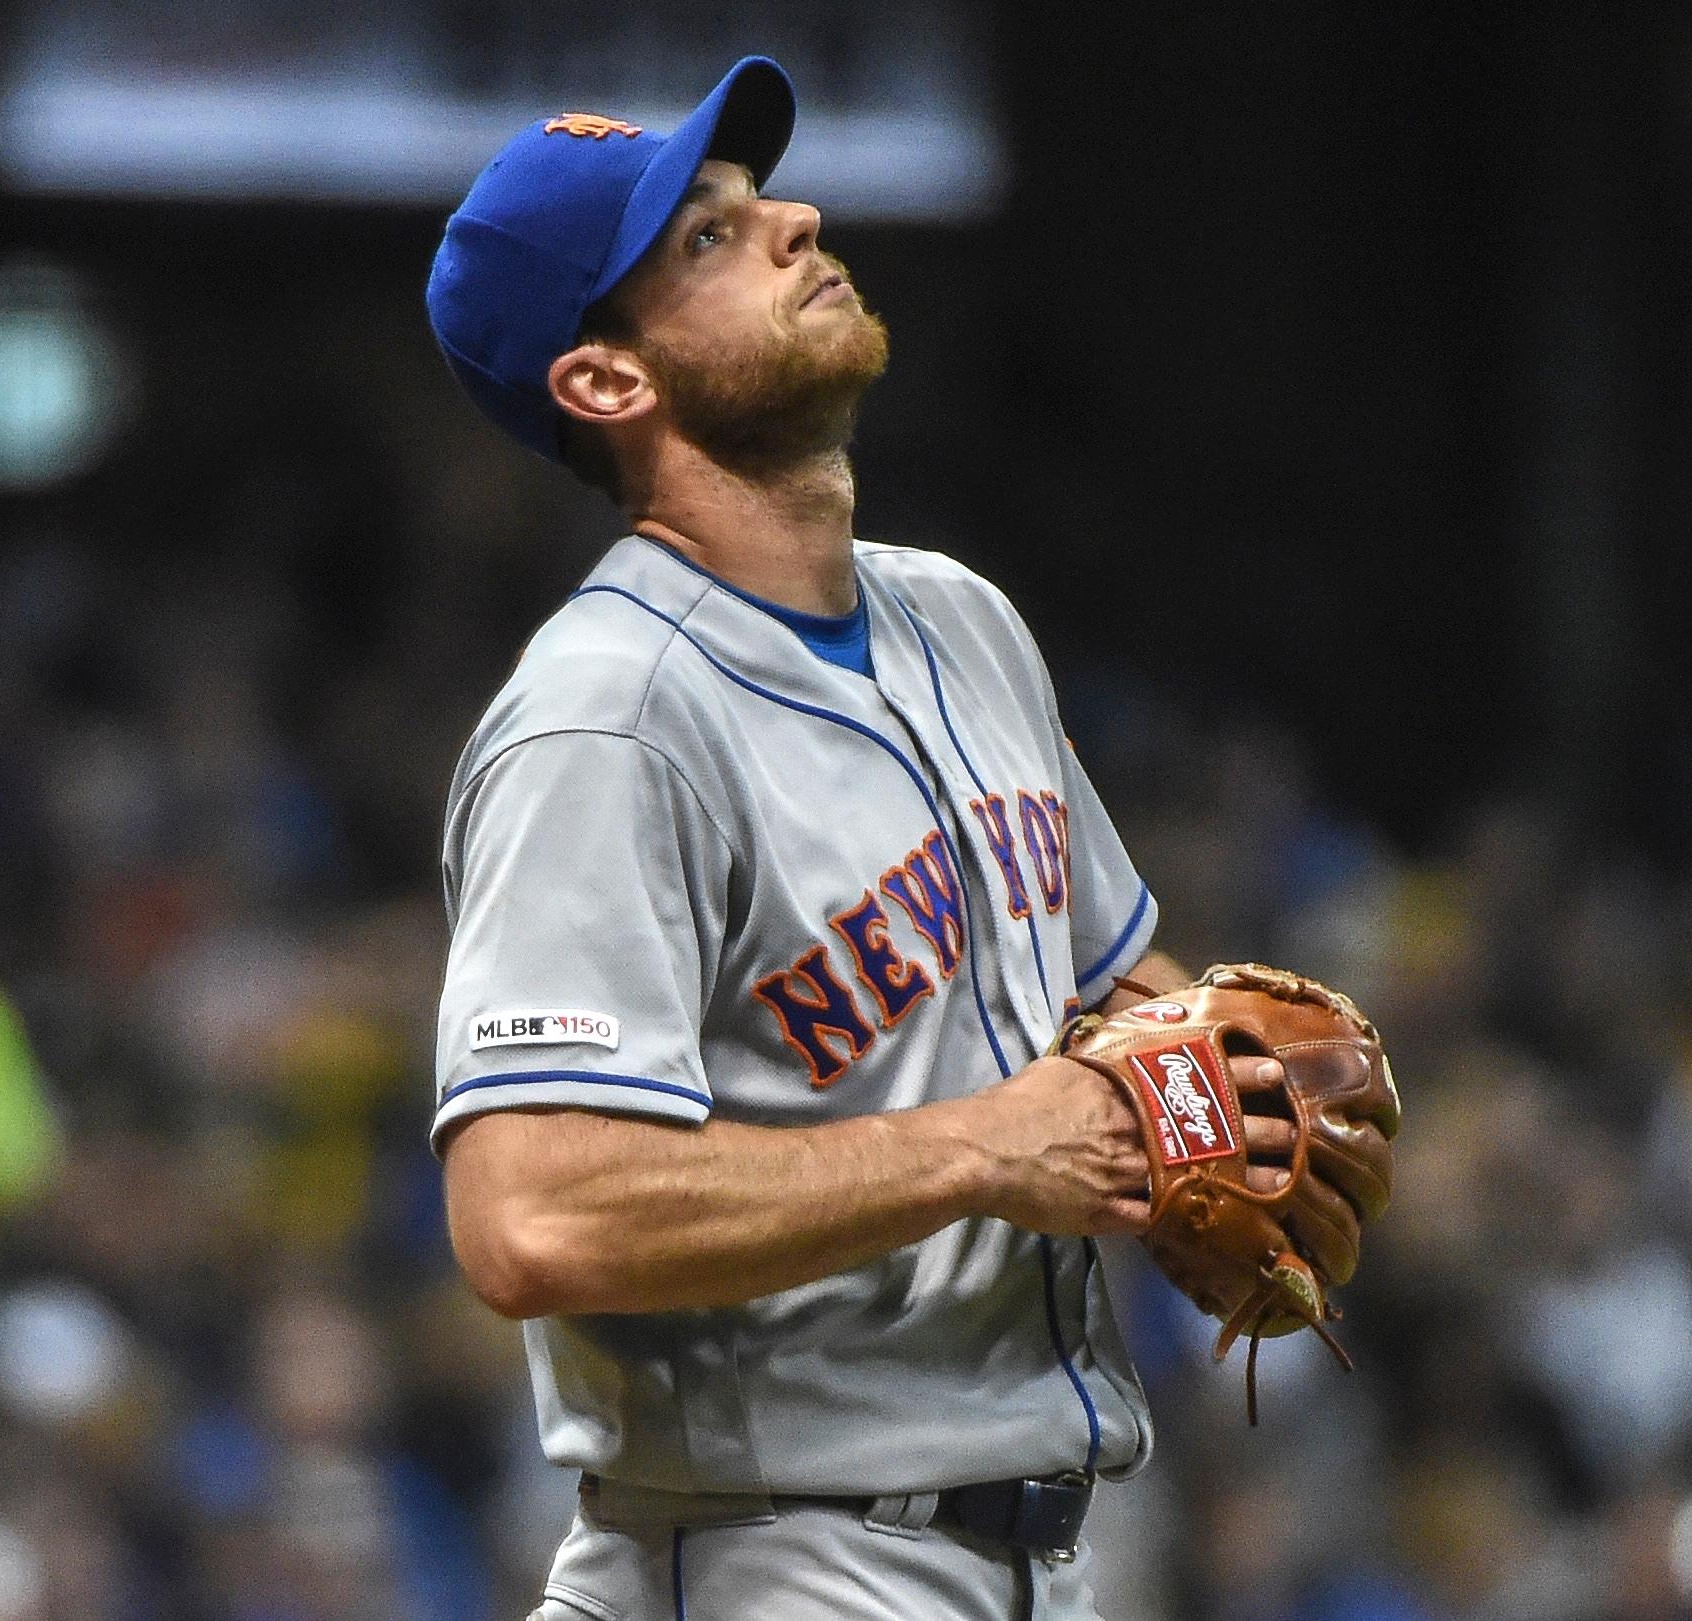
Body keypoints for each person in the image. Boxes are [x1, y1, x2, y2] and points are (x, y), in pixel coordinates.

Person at [423, 56, 1296, 1621]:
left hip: (1042, 1551)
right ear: (607, 382)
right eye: (705, 237)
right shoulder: (606, 716)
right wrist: (980, 1147)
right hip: (769, 1556)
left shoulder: (959, 617)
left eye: (760, 202)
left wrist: (1227, 1096)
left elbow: (1102, 991)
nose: (792, 223)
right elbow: (531, 1211)